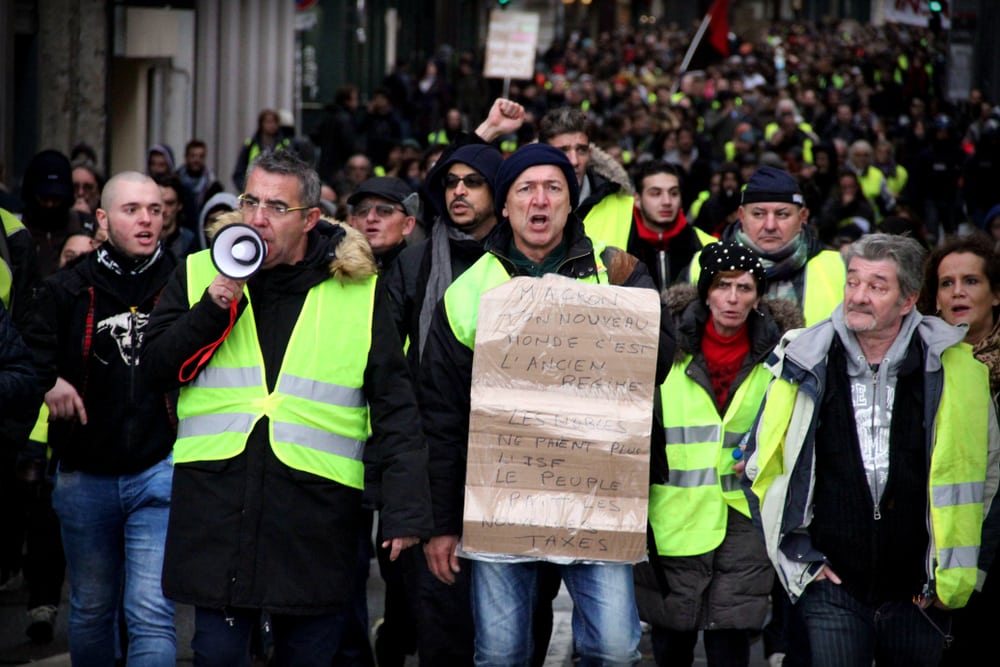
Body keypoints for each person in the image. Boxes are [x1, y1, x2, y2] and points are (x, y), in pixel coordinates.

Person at [141, 149, 431, 665]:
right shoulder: (199, 273)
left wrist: (404, 510)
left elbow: (396, 407)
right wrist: (214, 304)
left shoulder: (358, 290)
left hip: (313, 520)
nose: (256, 218)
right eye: (251, 201)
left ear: (310, 219)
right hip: (219, 509)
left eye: (276, 207)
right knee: (218, 655)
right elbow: (155, 369)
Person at [420, 143, 675, 667]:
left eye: (553, 188)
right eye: (526, 189)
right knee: (500, 654)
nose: (540, 200)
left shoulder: (618, 270)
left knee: (615, 649)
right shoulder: (471, 290)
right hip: (498, 502)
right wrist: (441, 522)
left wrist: (584, 317)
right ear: (507, 205)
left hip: (597, 497)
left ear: (570, 202)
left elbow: (661, 357)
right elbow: (441, 415)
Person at [742, 233, 1000, 667]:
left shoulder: (957, 369)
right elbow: (759, 464)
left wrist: (959, 576)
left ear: (908, 301)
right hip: (830, 584)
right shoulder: (803, 359)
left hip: (920, 589)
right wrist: (801, 563)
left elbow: (988, 478)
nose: (858, 297)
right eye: (853, 282)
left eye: (877, 286)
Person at [19, 170, 178, 664]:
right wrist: (48, 383)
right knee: (91, 610)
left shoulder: (183, 282)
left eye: (155, 209)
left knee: (151, 611)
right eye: (132, 210)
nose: (147, 219)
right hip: (84, 475)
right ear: (104, 220)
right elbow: (20, 357)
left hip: (159, 468)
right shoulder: (67, 288)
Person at [383, 97, 521, 667]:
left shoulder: (524, 264)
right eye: (451, 183)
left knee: (513, 632)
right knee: (433, 617)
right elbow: (390, 370)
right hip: (429, 462)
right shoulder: (415, 266)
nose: (459, 191)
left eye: (474, 182)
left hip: (509, 469)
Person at [636, 241, 803, 667]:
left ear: (758, 294)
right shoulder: (663, 345)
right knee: (671, 643)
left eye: (744, 287)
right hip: (674, 517)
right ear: (705, 291)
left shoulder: (784, 356)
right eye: (723, 285)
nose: (733, 298)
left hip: (744, 520)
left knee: (730, 645)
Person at [918, 232, 1000, 666]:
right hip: (943, 557)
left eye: (971, 281)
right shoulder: (920, 364)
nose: (958, 293)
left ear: (996, 292)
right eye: (947, 283)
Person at [689, 165, 846, 327]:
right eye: (758, 214)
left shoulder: (837, 266)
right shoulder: (703, 265)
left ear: (802, 217)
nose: (770, 225)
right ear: (741, 216)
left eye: (782, 214)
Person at [538, 106, 635, 250]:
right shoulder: (525, 205)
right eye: (563, 151)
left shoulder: (623, 205)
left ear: (590, 153)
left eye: (581, 150)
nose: (574, 161)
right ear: (543, 155)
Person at [625, 161, 715, 293]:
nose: (667, 201)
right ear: (637, 199)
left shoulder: (706, 245)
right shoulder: (621, 245)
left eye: (673, 193)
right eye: (656, 193)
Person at [346, 176, 419, 270]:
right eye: (362, 211)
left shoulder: (422, 271)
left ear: (407, 225)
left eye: (385, 211)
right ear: (353, 223)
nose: (370, 218)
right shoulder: (337, 271)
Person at [232, 108, 292, 191]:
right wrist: (246, 189)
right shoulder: (250, 144)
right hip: (254, 188)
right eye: (268, 122)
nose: (272, 125)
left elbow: (291, 170)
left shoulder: (285, 144)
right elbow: (239, 172)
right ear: (261, 124)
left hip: (277, 189)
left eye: (274, 122)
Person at [175, 139, 218, 229]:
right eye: (193, 156)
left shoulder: (213, 186)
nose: (196, 160)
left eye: (201, 156)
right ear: (186, 157)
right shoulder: (175, 183)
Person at [156, 174, 197, 260]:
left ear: (179, 205)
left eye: (170, 203)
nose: (163, 209)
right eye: (158, 203)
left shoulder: (190, 241)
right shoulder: (143, 239)